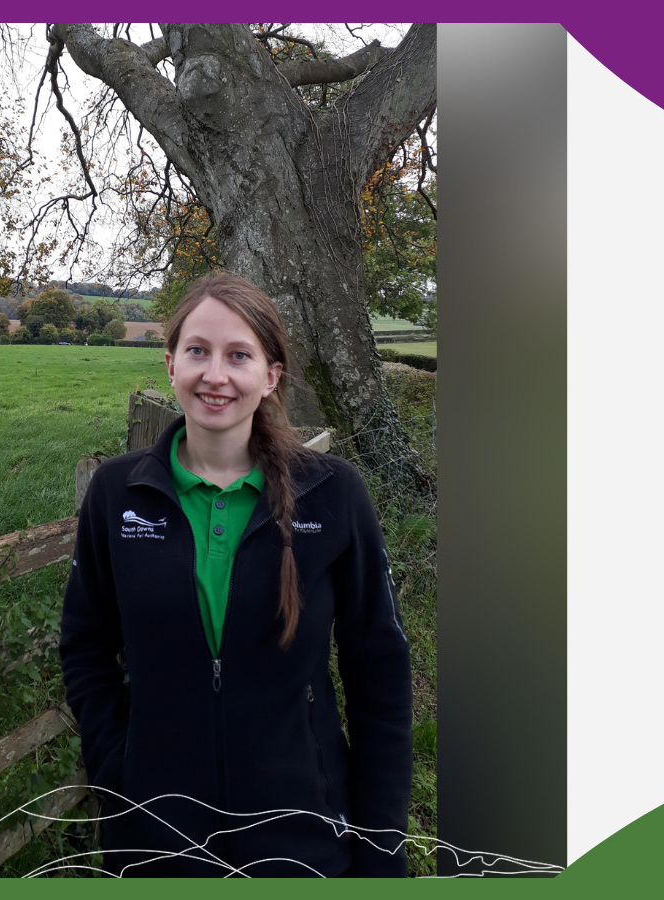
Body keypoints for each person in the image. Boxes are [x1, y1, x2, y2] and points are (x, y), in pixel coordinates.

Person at [60, 272, 412, 877]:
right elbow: (86, 645)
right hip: (157, 842)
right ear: (170, 363)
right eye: (197, 351)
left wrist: (381, 850)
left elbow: (379, 676)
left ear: (270, 376)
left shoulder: (333, 495)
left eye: (239, 355)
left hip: (302, 841)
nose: (214, 375)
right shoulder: (117, 495)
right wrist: (117, 772)